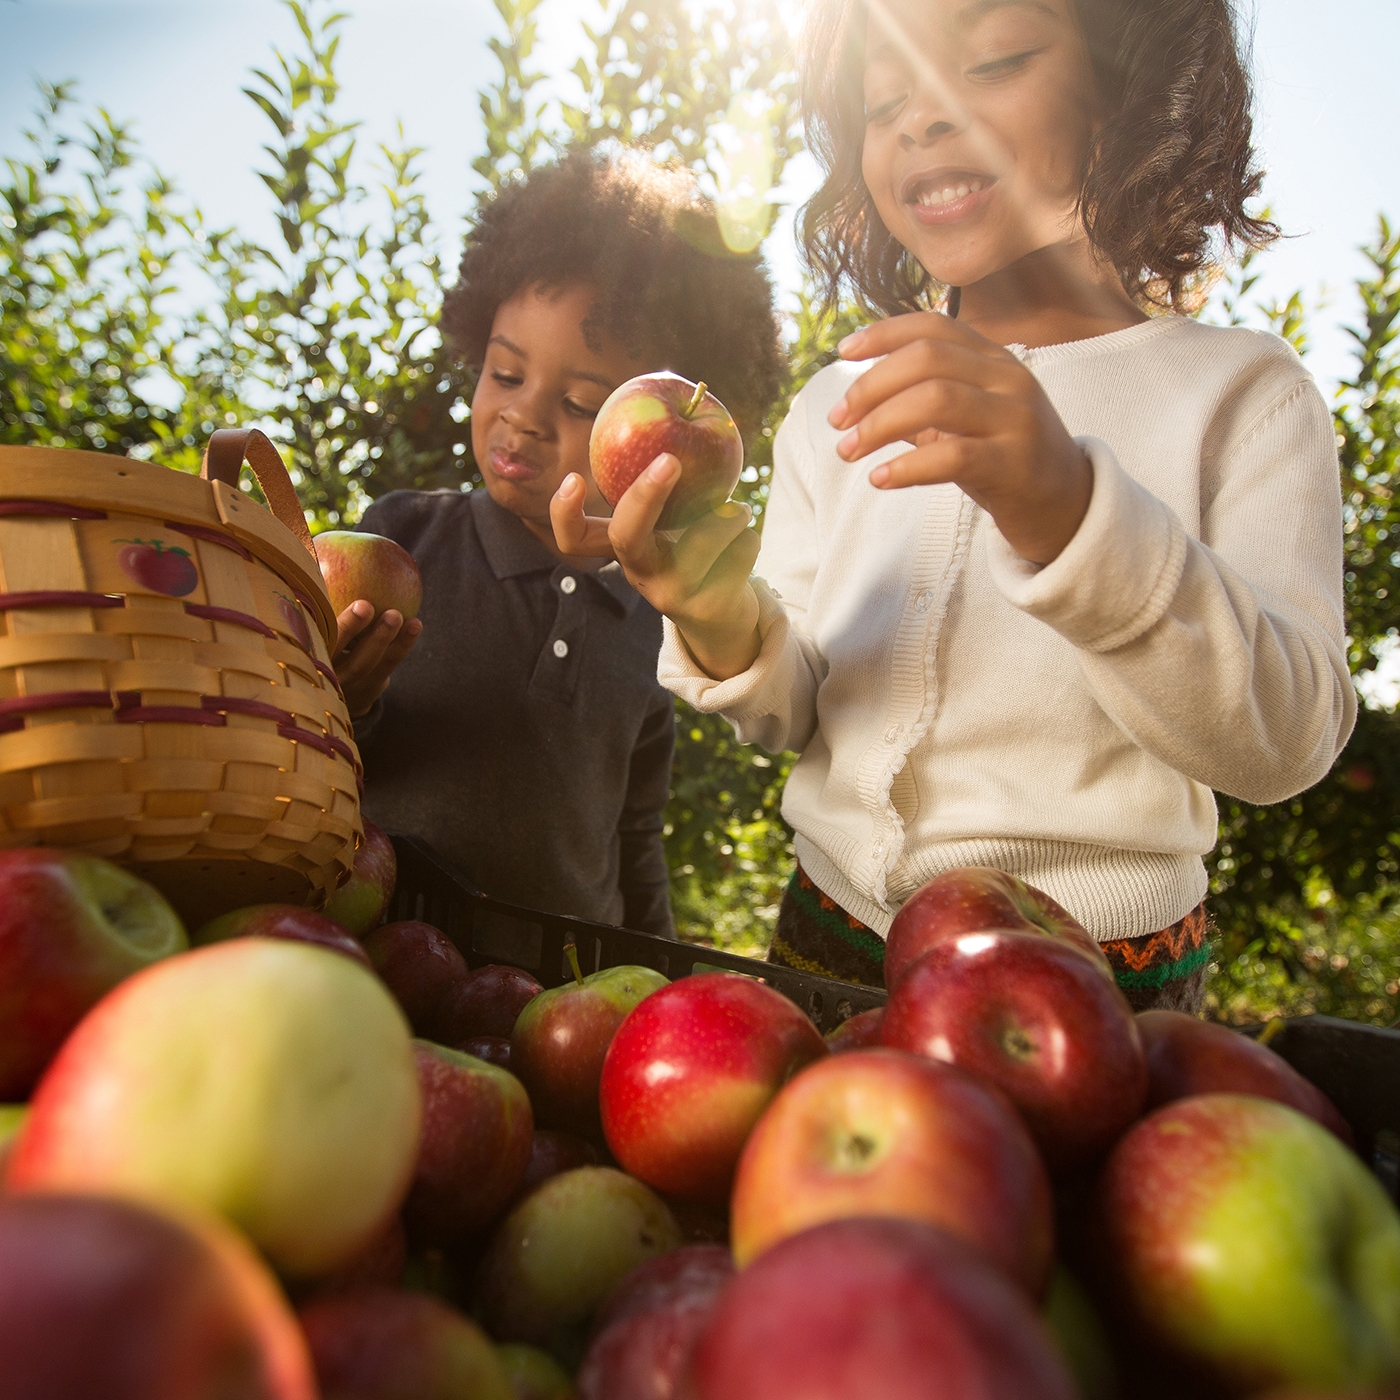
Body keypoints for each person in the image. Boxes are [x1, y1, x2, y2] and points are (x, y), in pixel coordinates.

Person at [552, 0, 1355, 1006]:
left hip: (1093, 979)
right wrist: (720, 620)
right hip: (826, 939)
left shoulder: (1238, 395)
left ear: (1130, 85)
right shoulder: (835, 406)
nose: (917, 118)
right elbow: (802, 704)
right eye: (880, 98)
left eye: (991, 60)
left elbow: (1286, 740)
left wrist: (1068, 510)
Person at [332, 148, 785, 936]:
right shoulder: (400, 538)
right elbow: (314, 747)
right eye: (506, 375)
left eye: (580, 402)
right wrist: (348, 698)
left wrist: (655, 978)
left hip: (560, 1003)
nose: (525, 415)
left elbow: (633, 836)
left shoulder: (656, 620)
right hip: (383, 960)